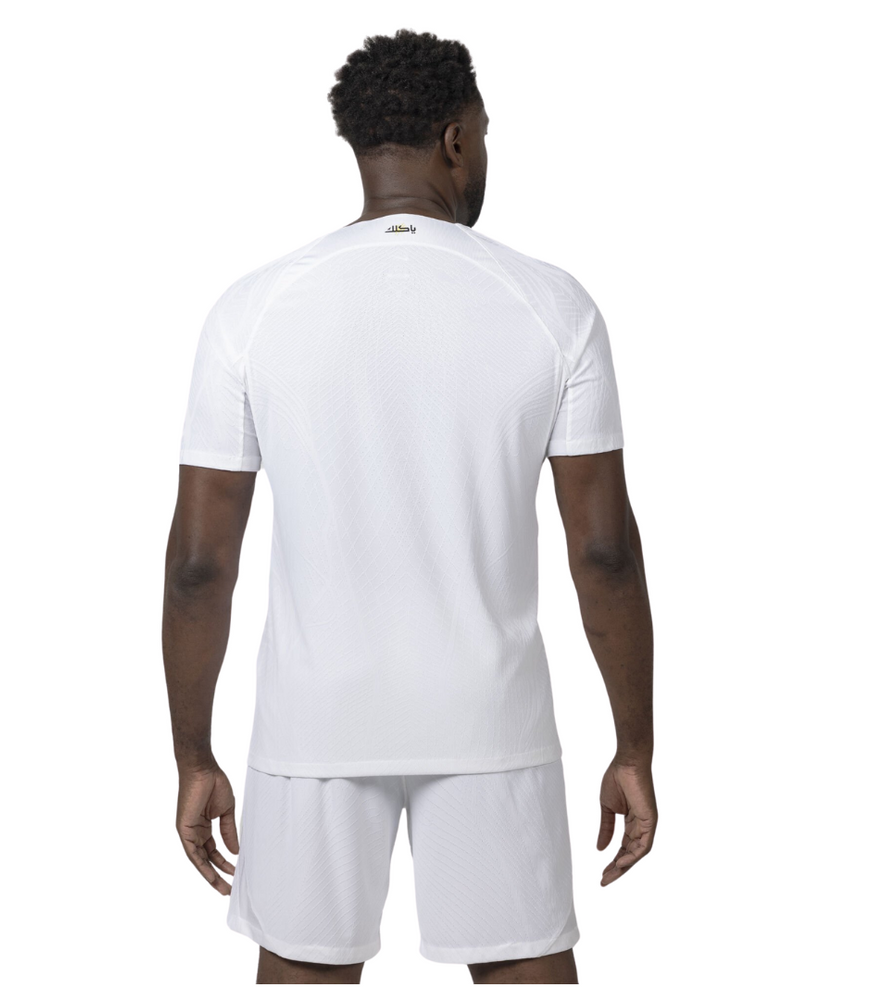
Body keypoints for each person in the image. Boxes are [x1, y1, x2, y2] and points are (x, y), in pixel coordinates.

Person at [161, 28, 656, 986]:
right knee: (521, 970)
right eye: (484, 133)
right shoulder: (552, 305)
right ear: (455, 139)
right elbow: (604, 553)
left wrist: (194, 755)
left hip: (312, 722)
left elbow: (198, 567)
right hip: (491, 718)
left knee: (303, 971)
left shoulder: (252, 310)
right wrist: (633, 746)